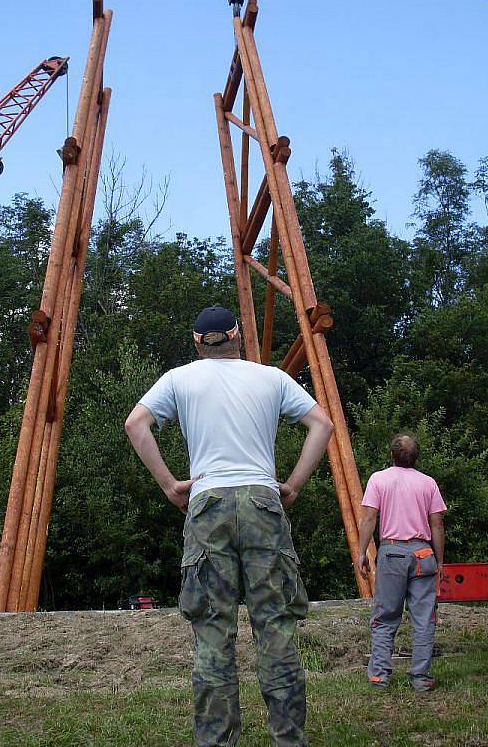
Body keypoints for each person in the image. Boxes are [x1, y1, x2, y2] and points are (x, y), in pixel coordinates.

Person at [125, 305, 333, 747]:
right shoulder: (272, 378)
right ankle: (289, 741)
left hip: (206, 505)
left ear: (197, 342)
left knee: (212, 633)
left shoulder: (179, 379)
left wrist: (169, 485)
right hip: (263, 503)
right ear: (238, 335)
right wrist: (292, 484)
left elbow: (136, 424)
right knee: (275, 628)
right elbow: (322, 425)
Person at [356, 434, 447, 692]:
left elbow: (369, 518)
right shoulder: (428, 483)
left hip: (392, 553)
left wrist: (362, 552)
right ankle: (420, 678)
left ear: (392, 455)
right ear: (415, 457)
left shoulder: (379, 479)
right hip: (422, 556)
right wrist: (439, 562)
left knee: (385, 617)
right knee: (423, 619)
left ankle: (379, 676)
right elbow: (437, 524)